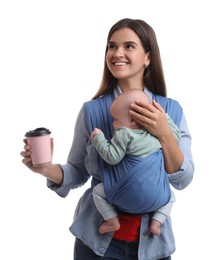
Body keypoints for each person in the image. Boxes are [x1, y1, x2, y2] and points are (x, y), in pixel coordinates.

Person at [21, 18, 194, 260]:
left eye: (129, 46)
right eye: (111, 46)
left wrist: (164, 133)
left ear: (148, 57)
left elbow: (182, 180)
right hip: (95, 243)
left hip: (151, 245)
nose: (117, 53)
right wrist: (47, 169)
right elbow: (78, 172)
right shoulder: (92, 111)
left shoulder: (170, 111)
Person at [90, 89, 180, 236]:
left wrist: (98, 139)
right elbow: (175, 137)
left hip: (125, 197)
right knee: (170, 196)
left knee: (97, 192)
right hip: (157, 199)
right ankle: (157, 222)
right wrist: (164, 118)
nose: (113, 124)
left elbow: (112, 157)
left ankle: (112, 220)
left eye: (116, 119)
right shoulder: (156, 133)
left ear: (131, 121)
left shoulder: (124, 133)